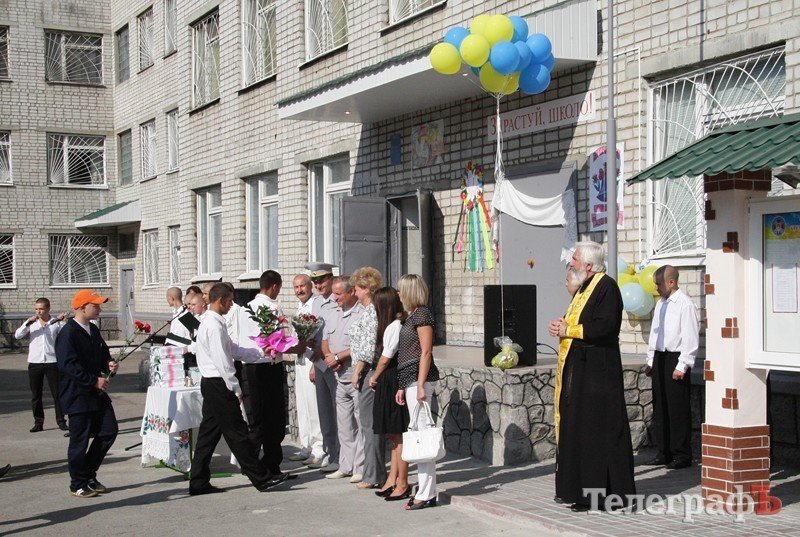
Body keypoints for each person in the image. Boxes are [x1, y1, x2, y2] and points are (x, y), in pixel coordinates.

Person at [548, 241, 636, 511]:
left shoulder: (606, 286)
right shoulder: (585, 287)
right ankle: (582, 493)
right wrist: (559, 325)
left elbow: (606, 327)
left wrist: (569, 330)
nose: (571, 263)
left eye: (574, 259)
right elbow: (573, 321)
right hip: (582, 371)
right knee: (581, 431)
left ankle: (607, 495)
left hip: (599, 374)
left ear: (588, 264)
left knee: (600, 433)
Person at [189, 283, 288, 495]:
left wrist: (259, 352)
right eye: (230, 301)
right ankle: (261, 478)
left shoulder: (215, 321)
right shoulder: (213, 325)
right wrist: (235, 389)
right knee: (238, 433)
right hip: (219, 383)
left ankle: (198, 481)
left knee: (208, 434)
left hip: (215, 383)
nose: (231, 304)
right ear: (221, 300)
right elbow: (223, 361)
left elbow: (232, 349)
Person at [238, 270, 304, 478]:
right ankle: (272, 466)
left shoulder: (245, 308)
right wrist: (297, 345)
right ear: (274, 286)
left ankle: (252, 464)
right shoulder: (272, 307)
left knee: (256, 418)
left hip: (249, 365)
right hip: (269, 365)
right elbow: (280, 339)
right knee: (274, 419)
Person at [55, 289, 119, 498]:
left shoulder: (92, 329)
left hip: (96, 394)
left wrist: (108, 364)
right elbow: (67, 365)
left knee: (109, 430)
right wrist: (93, 380)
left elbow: (102, 353)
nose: (99, 309)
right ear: (83, 307)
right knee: (79, 441)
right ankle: (78, 483)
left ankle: (89, 474)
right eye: (96, 305)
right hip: (77, 395)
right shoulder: (68, 333)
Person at [645, 265, 699, 470]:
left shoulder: (685, 304)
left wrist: (683, 364)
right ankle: (664, 451)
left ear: (671, 282)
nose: (656, 288)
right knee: (661, 407)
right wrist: (651, 359)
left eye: (658, 284)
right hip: (660, 356)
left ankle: (681, 453)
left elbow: (690, 337)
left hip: (676, 358)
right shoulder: (661, 304)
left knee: (677, 408)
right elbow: (655, 333)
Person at [396, 274, 440, 510]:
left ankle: (427, 492)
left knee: (422, 437)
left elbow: (425, 352)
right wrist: (403, 386)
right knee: (418, 436)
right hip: (411, 381)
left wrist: (420, 384)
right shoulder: (411, 315)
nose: (398, 294)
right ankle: (425, 490)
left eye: (401, 290)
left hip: (420, 381)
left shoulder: (422, 314)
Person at [321, 275, 365, 481]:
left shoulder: (362, 314)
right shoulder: (333, 313)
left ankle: (360, 467)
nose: (335, 298)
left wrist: (338, 357)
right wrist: (330, 357)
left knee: (360, 421)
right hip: (337, 373)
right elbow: (325, 340)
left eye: (339, 294)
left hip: (355, 373)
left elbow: (360, 345)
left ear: (351, 292)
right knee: (344, 423)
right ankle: (345, 464)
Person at [369, 287, 410, 500]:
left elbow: (386, 357)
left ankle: (402, 481)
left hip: (391, 378)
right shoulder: (396, 325)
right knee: (394, 435)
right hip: (391, 378)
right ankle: (392, 478)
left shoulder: (394, 326)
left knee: (397, 432)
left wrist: (374, 376)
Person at [348, 267, 386, 490]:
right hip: (365, 369)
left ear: (366, 289)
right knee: (367, 425)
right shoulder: (367, 311)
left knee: (370, 426)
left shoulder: (372, 312)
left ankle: (373, 474)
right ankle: (373, 472)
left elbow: (367, 346)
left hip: (367, 370)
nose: (354, 292)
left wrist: (357, 371)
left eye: (357, 288)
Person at [306, 261, 341, 472]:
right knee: (324, 411)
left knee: (339, 412)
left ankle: (340, 454)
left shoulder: (338, 300)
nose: (318, 285)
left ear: (331, 279)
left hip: (335, 361)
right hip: (319, 362)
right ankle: (329, 451)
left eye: (322, 280)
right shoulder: (316, 303)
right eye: (315, 281)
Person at [15, 298, 68, 433]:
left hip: (52, 362)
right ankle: (38, 422)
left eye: (41, 309)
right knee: (36, 394)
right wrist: (27, 323)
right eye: (37, 309)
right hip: (35, 362)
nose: (39, 311)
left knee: (57, 393)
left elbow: (65, 335)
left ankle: (61, 421)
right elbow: (18, 335)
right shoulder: (32, 323)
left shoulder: (55, 323)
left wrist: (62, 321)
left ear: (48, 309)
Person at [288, 274, 324, 465]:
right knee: (301, 405)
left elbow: (319, 335)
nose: (299, 290)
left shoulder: (315, 304)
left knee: (313, 405)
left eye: (303, 286)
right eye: (296, 287)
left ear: (310, 287)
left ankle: (319, 447)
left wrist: (315, 367)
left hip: (312, 360)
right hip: (299, 360)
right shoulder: (300, 307)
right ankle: (306, 444)